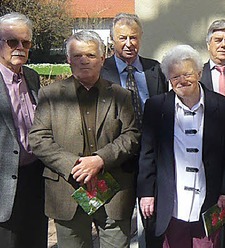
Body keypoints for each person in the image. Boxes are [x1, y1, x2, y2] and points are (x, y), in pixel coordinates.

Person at [29, 30, 140, 248]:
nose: (84, 60)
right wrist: (74, 165)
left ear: (102, 58)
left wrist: (100, 159)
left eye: (90, 55)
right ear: (68, 60)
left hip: (112, 190)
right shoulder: (50, 95)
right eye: (77, 55)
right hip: (68, 189)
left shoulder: (121, 95)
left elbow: (132, 134)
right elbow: (38, 138)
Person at [137, 44, 225, 247]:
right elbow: (147, 154)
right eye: (175, 77)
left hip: (209, 199)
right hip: (172, 201)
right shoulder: (156, 107)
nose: (182, 80)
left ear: (199, 73)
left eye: (187, 74)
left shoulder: (223, 106)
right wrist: (146, 192)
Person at [99, 12, 168, 248]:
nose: (129, 43)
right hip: (117, 160)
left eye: (134, 37)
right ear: (112, 40)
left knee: (154, 222)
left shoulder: (154, 69)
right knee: (117, 226)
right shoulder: (101, 70)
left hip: (152, 158)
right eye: (123, 38)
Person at [0, 12, 47, 248]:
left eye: (25, 42)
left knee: (35, 239)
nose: (20, 47)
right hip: (3, 181)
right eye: (12, 41)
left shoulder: (32, 77)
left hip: (35, 176)